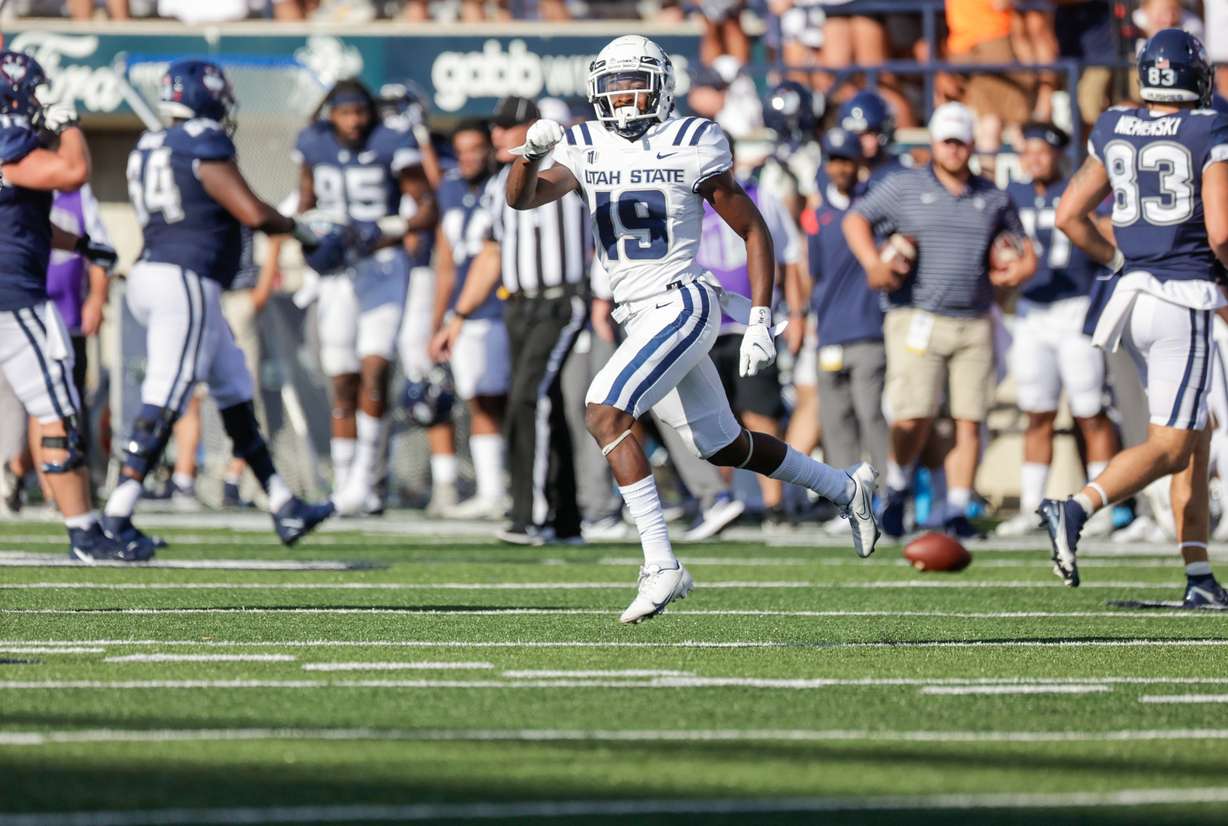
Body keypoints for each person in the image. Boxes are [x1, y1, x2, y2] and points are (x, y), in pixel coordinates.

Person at [500, 35, 881, 623]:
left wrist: (759, 317)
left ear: (660, 86)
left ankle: (662, 564)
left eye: (635, 83)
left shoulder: (691, 139)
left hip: (684, 301)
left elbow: (754, 229)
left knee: (604, 410)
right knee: (721, 444)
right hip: (636, 314)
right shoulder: (583, 143)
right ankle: (846, 489)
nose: (624, 96)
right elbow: (523, 201)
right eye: (615, 84)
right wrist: (527, 155)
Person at [104, 59, 335, 557]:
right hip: (184, 278)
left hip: (161, 274)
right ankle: (117, 512)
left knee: (232, 388)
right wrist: (299, 229)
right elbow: (250, 211)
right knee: (167, 392)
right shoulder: (203, 138)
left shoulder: (150, 143)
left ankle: (282, 502)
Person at [1043, 30, 1228, 608]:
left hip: (1133, 300)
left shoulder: (1115, 124)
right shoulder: (1209, 129)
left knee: (1193, 436)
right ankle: (1075, 508)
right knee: (1173, 444)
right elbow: (1221, 232)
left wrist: (1122, 258)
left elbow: (1070, 215)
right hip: (1187, 297)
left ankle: (1198, 574)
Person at [843, 101, 1037, 540]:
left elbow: (1023, 248)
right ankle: (896, 487)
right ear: (934, 143)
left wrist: (1020, 269)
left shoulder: (993, 196)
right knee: (913, 415)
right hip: (918, 314)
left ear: (971, 143)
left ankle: (955, 508)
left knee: (970, 419)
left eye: (960, 141)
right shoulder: (906, 186)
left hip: (974, 318)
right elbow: (855, 219)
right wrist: (874, 263)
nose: (953, 149)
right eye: (946, 141)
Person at [434, 96, 590, 546]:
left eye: (510, 127)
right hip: (518, 306)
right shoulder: (501, 181)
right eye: (497, 128)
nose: (499, 136)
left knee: (526, 399)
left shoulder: (567, 165)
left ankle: (531, 514)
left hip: (560, 302)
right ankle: (565, 518)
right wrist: (458, 316)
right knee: (548, 406)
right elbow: (491, 253)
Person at [0, 51, 128, 559]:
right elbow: (72, 170)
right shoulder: (13, 142)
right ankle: (83, 532)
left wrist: (79, 245)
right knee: (57, 413)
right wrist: (69, 121)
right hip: (13, 301)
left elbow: (19, 220)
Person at [293, 79, 436, 517]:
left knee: (375, 368)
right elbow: (305, 202)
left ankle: (365, 482)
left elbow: (427, 205)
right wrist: (311, 240)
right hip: (338, 275)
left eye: (359, 112)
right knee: (342, 379)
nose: (354, 122)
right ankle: (344, 478)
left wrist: (387, 228)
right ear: (331, 114)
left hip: (383, 267)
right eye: (345, 113)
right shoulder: (312, 143)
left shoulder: (390, 141)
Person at [996, 122, 1118, 538]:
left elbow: (1109, 235)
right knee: (1037, 412)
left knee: (1089, 412)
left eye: (1041, 151)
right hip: (1032, 312)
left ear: (1058, 154)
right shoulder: (1014, 194)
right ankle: (1034, 507)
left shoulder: (1078, 187)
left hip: (1077, 308)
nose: (1034, 158)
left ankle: (1100, 507)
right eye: (1027, 150)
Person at [807, 127, 889, 536]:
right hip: (830, 331)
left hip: (868, 328)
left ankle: (886, 498)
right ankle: (847, 502)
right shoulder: (817, 213)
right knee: (836, 421)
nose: (840, 167)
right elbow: (812, 273)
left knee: (871, 416)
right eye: (834, 160)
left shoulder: (876, 208)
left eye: (846, 160)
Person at [427, 120, 509, 520]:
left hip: (502, 305)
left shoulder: (507, 184)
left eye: (475, 148)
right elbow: (445, 263)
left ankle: (503, 487)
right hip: (464, 310)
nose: (468, 157)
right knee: (478, 397)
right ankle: (492, 489)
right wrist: (438, 319)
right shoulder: (450, 188)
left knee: (499, 399)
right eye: (461, 150)